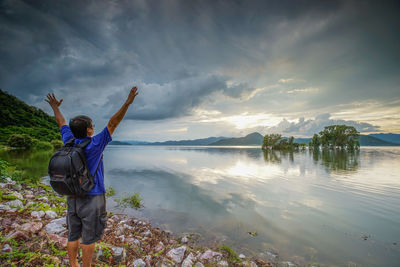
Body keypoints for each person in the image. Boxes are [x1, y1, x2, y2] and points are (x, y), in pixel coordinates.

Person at [45, 86, 139, 267]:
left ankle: (73, 265)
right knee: (88, 238)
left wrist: (55, 107)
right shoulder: (95, 144)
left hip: (72, 195)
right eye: (93, 126)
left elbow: (61, 122)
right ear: (89, 130)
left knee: (73, 235)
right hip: (93, 197)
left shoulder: (69, 141)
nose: (94, 128)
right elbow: (113, 123)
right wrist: (127, 103)